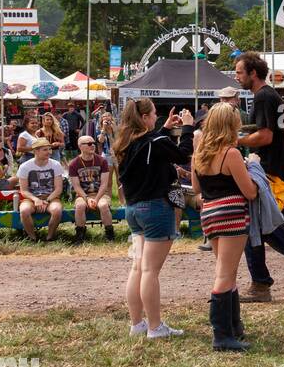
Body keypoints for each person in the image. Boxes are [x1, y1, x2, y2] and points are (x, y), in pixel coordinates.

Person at [234, 52, 284, 302]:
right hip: (273, 169)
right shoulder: (269, 95)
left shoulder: (262, 98)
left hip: (270, 171)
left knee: (259, 226)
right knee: (259, 225)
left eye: (239, 72)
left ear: (253, 73)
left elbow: (266, 136)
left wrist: (236, 140)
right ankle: (261, 282)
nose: (236, 77)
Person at [115, 99, 194, 339]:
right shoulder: (155, 142)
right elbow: (182, 154)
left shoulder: (127, 143)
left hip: (134, 209)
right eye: (155, 115)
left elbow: (151, 145)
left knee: (138, 267)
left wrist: (165, 129)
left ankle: (137, 323)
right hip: (156, 208)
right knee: (150, 271)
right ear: (146, 117)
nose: (157, 118)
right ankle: (155, 327)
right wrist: (188, 128)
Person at [191, 103, 257, 353]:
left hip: (209, 214)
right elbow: (249, 192)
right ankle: (222, 335)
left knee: (225, 269)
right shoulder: (231, 153)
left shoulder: (199, 152)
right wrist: (256, 173)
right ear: (231, 124)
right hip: (231, 214)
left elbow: (197, 189)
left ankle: (233, 325)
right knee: (225, 273)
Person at [16, 137, 65, 242]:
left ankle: (50, 237)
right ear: (36, 151)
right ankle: (32, 238)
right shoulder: (25, 166)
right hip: (31, 198)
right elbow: (23, 190)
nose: (49, 152)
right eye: (45, 149)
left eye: (49, 149)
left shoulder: (55, 164)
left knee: (56, 210)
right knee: (24, 210)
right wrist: (36, 200)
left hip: (51, 197)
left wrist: (47, 200)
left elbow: (58, 189)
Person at [68, 134, 116, 242]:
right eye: (89, 144)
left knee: (103, 205)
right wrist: (87, 199)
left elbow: (104, 184)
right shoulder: (74, 164)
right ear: (80, 146)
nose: (93, 146)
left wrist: (96, 199)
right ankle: (80, 234)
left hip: (101, 194)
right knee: (80, 206)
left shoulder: (102, 161)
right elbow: (76, 186)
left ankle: (110, 234)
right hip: (83, 195)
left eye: (94, 143)